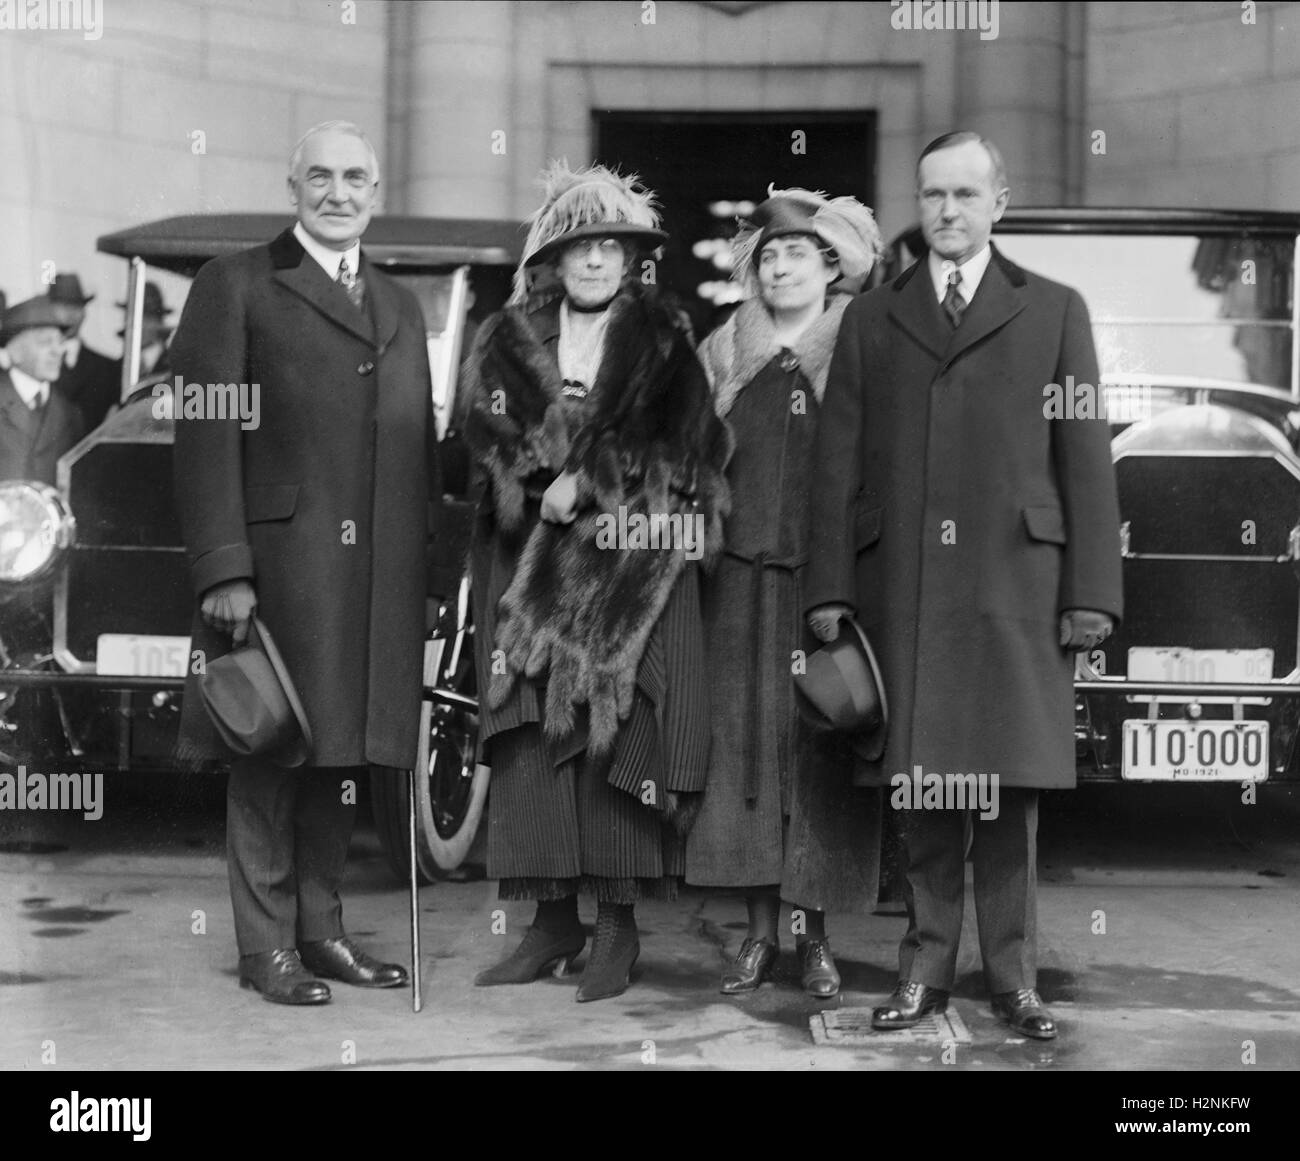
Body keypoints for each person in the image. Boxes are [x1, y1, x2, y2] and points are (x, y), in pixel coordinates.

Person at [805, 132, 1123, 1039]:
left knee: (1009, 794)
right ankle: (925, 971)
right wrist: (829, 590)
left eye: (965, 195)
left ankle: (1015, 980)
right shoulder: (872, 318)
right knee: (928, 792)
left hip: (1017, 587)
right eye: (933, 194)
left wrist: (1091, 593)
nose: (947, 211)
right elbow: (837, 467)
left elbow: (1086, 463)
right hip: (904, 589)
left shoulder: (1056, 309)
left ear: (1000, 203)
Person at [171, 120, 438, 1006]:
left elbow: (417, 449)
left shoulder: (400, 306)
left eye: (355, 176)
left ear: (377, 191)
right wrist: (222, 566)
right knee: (269, 750)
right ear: (292, 187)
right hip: (278, 568)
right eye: (318, 175)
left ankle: (322, 933)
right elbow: (204, 430)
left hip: (374, 579)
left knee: (343, 757)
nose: (337, 191)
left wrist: (423, 580)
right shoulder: (237, 285)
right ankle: (264, 947)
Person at [462, 162, 731, 1002]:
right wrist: (543, 482)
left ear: (631, 259)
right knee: (532, 737)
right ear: (553, 257)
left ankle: (616, 929)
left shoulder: (664, 339)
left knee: (617, 733)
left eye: (610, 246)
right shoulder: (504, 336)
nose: (594, 261)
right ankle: (550, 926)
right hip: (529, 568)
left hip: (628, 569)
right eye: (579, 246)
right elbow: (480, 436)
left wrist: (598, 479)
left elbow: (694, 454)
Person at [685, 188, 884, 999]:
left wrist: (852, 579)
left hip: (825, 593)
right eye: (767, 256)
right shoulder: (722, 351)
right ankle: (760, 937)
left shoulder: (860, 350)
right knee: (744, 762)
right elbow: (687, 464)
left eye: (797, 252)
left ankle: (820, 941)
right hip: (735, 590)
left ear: (832, 265)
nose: (780, 266)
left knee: (823, 761)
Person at [0, 296, 85, 484]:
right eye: (45, 342)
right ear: (15, 352)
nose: (58, 350)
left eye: (60, 341)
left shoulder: (71, 414)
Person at [48, 272, 121, 430]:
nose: (70, 314)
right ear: (48, 310)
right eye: (62, 306)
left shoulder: (109, 369)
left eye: (76, 306)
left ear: (84, 312)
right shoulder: (35, 362)